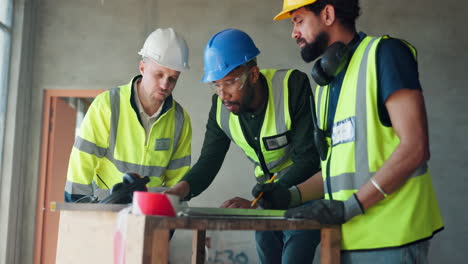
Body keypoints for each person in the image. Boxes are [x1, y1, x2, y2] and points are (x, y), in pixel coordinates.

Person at [256, 0, 444, 262]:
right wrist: (290, 195)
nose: (294, 33)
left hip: (394, 239)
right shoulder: (325, 86)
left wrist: (350, 208)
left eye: (298, 20)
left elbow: (415, 148)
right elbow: (337, 173)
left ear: (328, 13)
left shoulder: (385, 55)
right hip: (346, 241)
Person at [166, 28, 321, 264]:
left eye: (229, 82)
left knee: (294, 254)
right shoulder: (220, 109)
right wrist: (178, 191)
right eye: (216, 85)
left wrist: (259, 202)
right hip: (266, 197)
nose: (223, 94)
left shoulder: (291, 87)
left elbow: (308, 158)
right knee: (268, 252)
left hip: (303, 189)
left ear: (254, 74)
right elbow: (209, 161)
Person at [65, 28, 192, 202]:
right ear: (142, 68)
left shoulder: (180, 120)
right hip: (106, 209)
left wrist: (171, 216)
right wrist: (78, 208)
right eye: (159, 74)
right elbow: (82, 161)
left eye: (172, 78)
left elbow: (178, 179)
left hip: (152, 214)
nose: (165, 85)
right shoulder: (108, 104)